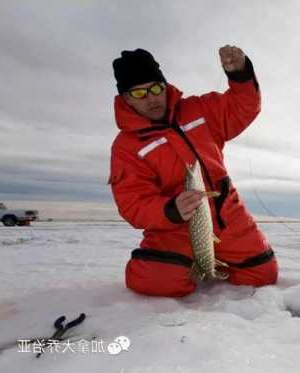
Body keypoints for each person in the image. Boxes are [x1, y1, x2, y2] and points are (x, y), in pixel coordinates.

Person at [109, 46, 278, 297]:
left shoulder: (199, 109)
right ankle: (187, 263)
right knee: (156, 281)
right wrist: (171, 210)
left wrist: (241, 74)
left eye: (156, 88)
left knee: (263, 274)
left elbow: (243, 107)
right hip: (174, 228)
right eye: (140, 92)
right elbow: (133, 204)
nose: (152, 98)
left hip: (226, 212)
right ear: (126, 98)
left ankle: (214, 260)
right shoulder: (126, 147)